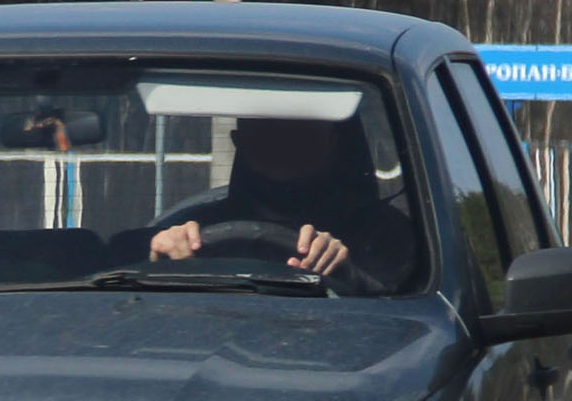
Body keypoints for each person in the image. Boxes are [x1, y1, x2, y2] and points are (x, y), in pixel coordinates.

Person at [147, 116, 408, 283]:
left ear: (333, 142)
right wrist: (156, 260)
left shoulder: (391, 238)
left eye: (301, 131)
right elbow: (112, 273)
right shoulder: (191, 226)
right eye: (267, 131)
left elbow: (410, 312)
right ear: (240, 142)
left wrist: (350, 273)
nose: (284, 142)